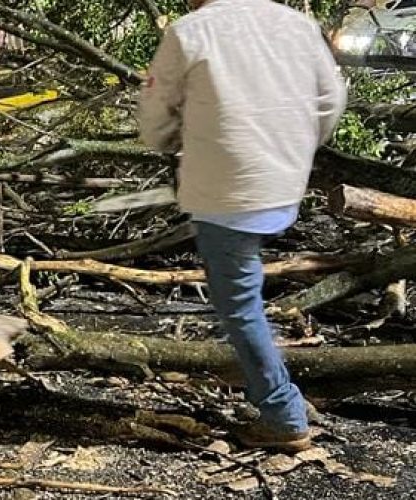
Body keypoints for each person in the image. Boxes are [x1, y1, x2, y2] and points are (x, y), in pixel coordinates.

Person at [138, 0, 346, 452]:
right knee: (247, 288)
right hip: (283, 186)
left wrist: (171, 141)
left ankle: (283, 414)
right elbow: (331, 100)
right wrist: (295, 149)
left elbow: (155, 113)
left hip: (228, 194)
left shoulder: (190, 31)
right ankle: (277, 391)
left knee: (239, 305)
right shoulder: (296, 24)